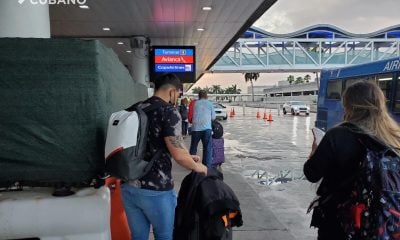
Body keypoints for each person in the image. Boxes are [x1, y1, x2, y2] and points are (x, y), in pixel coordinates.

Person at [303, 81, 400, 240]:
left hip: (338, 221)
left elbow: (311, 173)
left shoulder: (338, 136)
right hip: (383, 221)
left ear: (348, 105)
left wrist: (314, 151)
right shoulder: (394, 138)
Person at [121, 73, 207, 240]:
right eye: (178, 94)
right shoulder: (168, 111)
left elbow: (150, 144)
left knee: (138, 237)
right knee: (165, 236)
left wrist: (189, 156)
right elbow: (179, 156)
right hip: (156, 190)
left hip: (129, 187)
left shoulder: (135, 108)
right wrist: (199, 167)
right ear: (173, 91)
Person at [189, 90, 216, 167]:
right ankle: (207, 165)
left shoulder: (195, 103)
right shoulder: (209, 104)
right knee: (207, 147)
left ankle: (191, 164)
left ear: (199, 96)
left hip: (195, 128)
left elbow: (191, 114)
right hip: (207, 129)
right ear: (206, 96)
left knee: (193, 147)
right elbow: (213, 117)